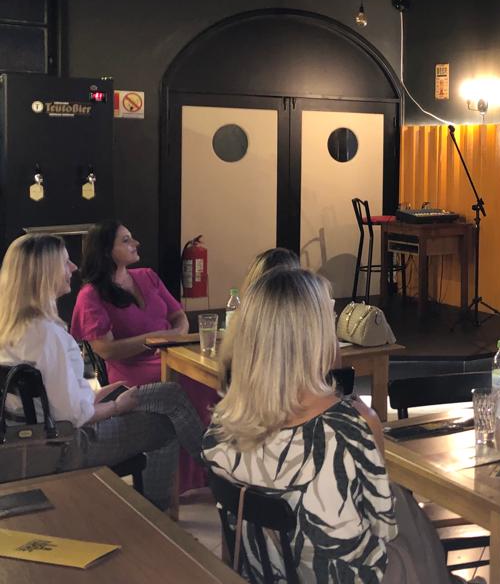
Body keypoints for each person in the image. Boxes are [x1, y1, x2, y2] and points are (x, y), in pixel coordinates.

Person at [203, 267, 448, 584]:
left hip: (263, 573)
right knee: (409, 516)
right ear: (315, 339)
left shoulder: (221, 427)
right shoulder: (349, 428)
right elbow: (382, 531)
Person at [0, 234, 203, 510]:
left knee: (168, 392)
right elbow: (74, 416)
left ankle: (212, 465)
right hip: (65, 446)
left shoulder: (11, 329)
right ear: (45, 274)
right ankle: (160, 509)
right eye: (65, 262)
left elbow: (53, 399)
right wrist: (117, 407)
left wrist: (97, 395)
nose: (73, 267)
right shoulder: (49, 335)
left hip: (25, 440)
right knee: (164, 426)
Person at [70, 219, 218, 492]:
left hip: (172, 354)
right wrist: (154, 340)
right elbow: (106, 349)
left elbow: (179, 316)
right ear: (106, 250)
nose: (135, 244)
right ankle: (204, 471)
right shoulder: (91, 295)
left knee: (209, 382)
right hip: (131, 370)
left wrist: (174, 335)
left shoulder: (147, 276)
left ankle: (208, 471)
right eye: (126, 240)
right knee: (188, 384)